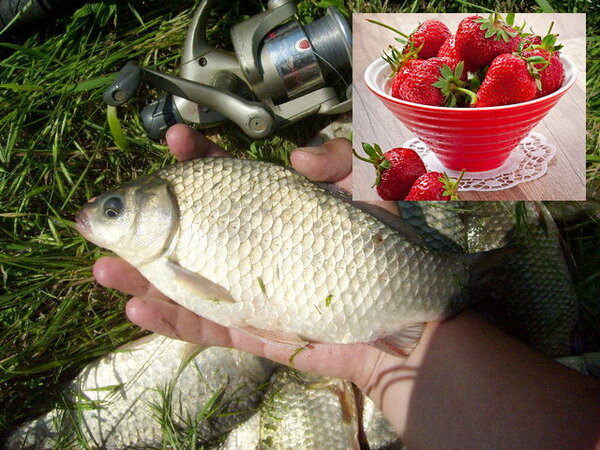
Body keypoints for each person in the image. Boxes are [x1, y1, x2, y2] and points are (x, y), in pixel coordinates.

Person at [93, 124, 600, 449]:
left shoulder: (177, 246)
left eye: (114, 210)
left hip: (351, 282)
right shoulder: (172, 249)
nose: (99, 217)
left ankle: (468, 281)